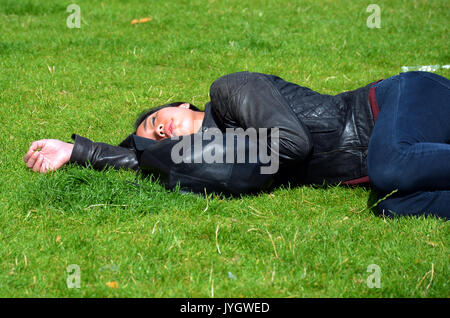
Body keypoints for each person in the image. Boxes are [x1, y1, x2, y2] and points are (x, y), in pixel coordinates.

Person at [24, 71, 450, 219]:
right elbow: (149, 162)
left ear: (180, 103)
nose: (163, 132)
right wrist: (79, 151)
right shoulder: (217, 150)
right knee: (395, 204)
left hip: (394, 103)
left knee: (391, 168)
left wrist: (179, 153)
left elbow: (292, 144)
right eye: (156, 139)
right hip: (390, 149)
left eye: (157, 121)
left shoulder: (228, 92)